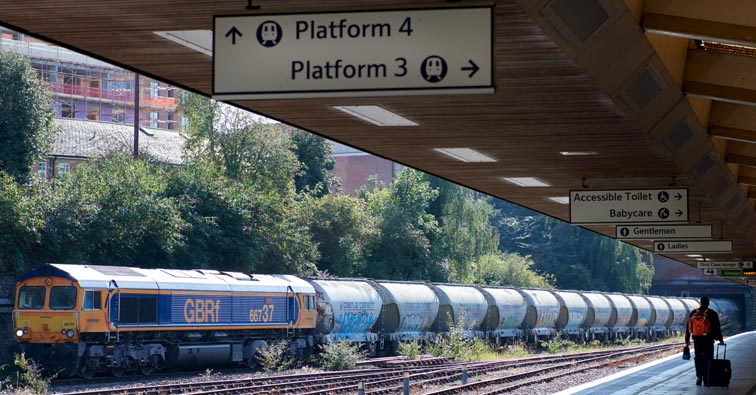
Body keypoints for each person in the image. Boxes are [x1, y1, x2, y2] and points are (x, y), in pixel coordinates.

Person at [685, 296, 725, 386]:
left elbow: (688, 327)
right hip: (708, 340)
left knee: (698, 358)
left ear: (700, 303)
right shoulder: (712, 313)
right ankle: (706, 379)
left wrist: (687, 339)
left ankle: (699, 377)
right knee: (708, 359)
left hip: (697, 340)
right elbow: (717, 328)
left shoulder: (693, 313)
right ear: (708, 303)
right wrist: (720, 340)